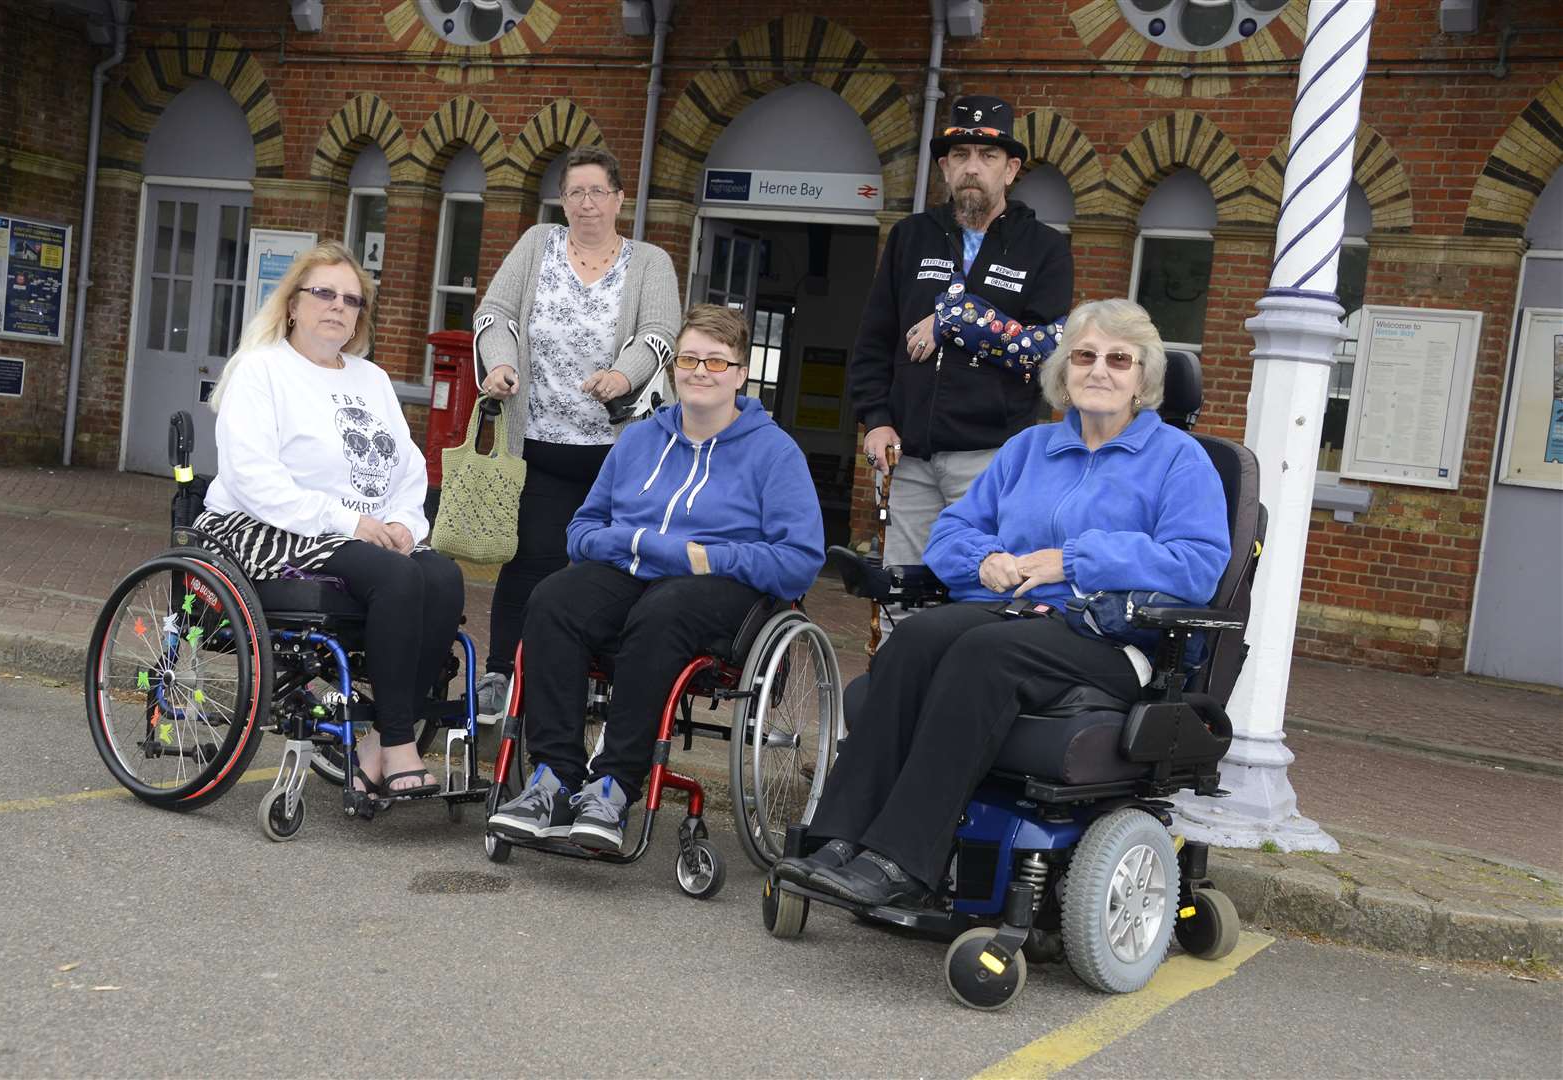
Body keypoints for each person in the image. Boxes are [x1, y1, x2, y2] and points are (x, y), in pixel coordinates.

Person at [777, 299, 1230, 907]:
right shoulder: (1029, 450)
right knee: (914, 639)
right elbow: (951, 534)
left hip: (1113, 637)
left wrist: (1074, 560)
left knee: (984, 654)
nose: (1100, 370)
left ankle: (901, 860)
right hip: (1015, 612)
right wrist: (983, 559)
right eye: (1085, 356)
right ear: (1063, 371)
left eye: (1118, 359)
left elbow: (1198, 565)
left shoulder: (1179, 459)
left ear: (1143, 376)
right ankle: (835, 841)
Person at [488, 304, 825, 851]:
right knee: (553, 598)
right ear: (673, 369)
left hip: (718, 589)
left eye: (717, 362)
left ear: (741, 374)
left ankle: (614, 787)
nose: (700, 371)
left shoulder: (774, 452)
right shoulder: (640, 440)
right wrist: (634, 543)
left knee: (663, 611)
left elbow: (798, 561)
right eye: (690, 358)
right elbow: (582, 530)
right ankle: (552, 778)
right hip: (631, 570)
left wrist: (705, 558)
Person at [199, 241, 464, 796]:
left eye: (351, 299)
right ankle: (398, 742)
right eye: (324, 293)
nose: (338, 307)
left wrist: (403, 524)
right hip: (266, 527)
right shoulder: (262, 370)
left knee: (441, 575)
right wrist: (345, 521)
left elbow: (407, 465)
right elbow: (252, 477)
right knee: (396, 576)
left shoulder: (371, 379)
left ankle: (376, 748)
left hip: (362, 535)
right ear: (293, 303)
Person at [849, 94, 1073, 634]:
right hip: (913, 456)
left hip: (994, 458)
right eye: (962, 154)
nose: (973, 166)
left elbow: (1047, 350)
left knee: (981, 594)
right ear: (945, 167)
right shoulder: (910, 236)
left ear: (1012, 170)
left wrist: (958, 319)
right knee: (905, 596)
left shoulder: (1044, 248)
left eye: (988, 156)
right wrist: (875, 418)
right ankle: (896, 710)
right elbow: (875, 339)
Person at [472, 146, 682, 722]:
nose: (586, 203)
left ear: (618, 199)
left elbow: (662, 332)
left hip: (618, 453)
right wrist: (497, 364)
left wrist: (623, 376)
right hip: (538, 440)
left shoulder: (650, 262)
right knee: (531, 558)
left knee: (610, 569)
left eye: (597, 192)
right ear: (562, 202)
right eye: (575, 193)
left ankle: (600, 678)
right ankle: (500, 675)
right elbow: (493, 314)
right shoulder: (536, 245)